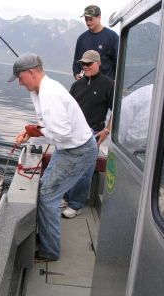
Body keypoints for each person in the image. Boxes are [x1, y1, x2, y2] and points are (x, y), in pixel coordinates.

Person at [8, 53, 98, 262]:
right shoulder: (38, 91)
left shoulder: (50, 93)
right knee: (46, 189)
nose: (19, 83)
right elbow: (50, 126)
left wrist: (34, 131)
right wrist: (30, 132)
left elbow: (62, 132)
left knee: (48, 195)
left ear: (31, 72)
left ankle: (49, 251)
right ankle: (47, 236)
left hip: (78, 150)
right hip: (68, 149)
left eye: (20, 78)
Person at [61, 50, 114, 218]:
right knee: (67, 167)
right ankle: (65, 196)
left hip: (92, 133)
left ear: (98, 63)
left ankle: (76, 205)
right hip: (72, 133)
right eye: (83, 64)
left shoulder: (108, 84)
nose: (86, 67)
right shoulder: (77, 85)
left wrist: (107, 130)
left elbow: (117, 110)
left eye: (89, 64)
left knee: (84, 171)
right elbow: (66, 109)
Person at [73, 5, 119, 80]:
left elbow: (118, 62)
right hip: (86, 85)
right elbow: (76, 61)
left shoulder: (112, 37)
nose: (88, 22)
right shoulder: (81, 39)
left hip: (106, 86)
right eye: (86, 20)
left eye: (90, 19)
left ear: (99, 17)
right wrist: (76, 73)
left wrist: (115, 81)